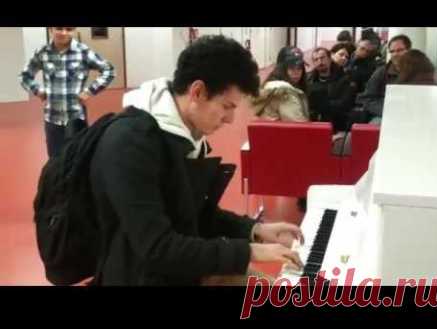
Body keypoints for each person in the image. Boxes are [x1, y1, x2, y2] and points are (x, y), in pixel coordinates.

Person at [89, 35, 304, 286]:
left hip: (182, 268)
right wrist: (249, 252)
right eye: (226, 106)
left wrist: (254, 231)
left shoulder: (184, 133)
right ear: (197, 91)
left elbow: (194, 213)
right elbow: (157, 248)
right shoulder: (130, 143)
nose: (230, 119)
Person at [19, 27, 115, 158]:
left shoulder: (83, 52)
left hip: (76, 117)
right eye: (59, 28)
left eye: (69, 29)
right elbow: (25, 76)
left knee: (78, 160)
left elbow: (109, 71)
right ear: (50, 30)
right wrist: (38, 91)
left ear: (74, 30)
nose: (64, 33)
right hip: (52, 118)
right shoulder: (43, 52)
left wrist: (90, 91)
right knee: (55, 161)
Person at [356, 34, 412, 124]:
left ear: (409, 51)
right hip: (384, 115)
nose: (395, 54)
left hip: (411, 115)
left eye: (400, 50)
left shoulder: (420, 72)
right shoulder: (381, 72)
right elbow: (367, 98)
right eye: (392, 51)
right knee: (374, 127)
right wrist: (387, 111)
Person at [251, 48, 309, 121]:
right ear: (281, 68)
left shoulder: (270, 85)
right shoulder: (285, 91)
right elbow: (297, 126)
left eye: (299, 68)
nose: (296, 72)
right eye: (291, 67)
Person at [307, 47, 356, 132]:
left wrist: (321, 105)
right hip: (312, 123)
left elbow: (345, 104)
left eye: (322, 58)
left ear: (330, 59)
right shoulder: (308, 79)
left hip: (337, 124)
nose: (320, 62)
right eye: (316, 60)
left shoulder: (344, 79)